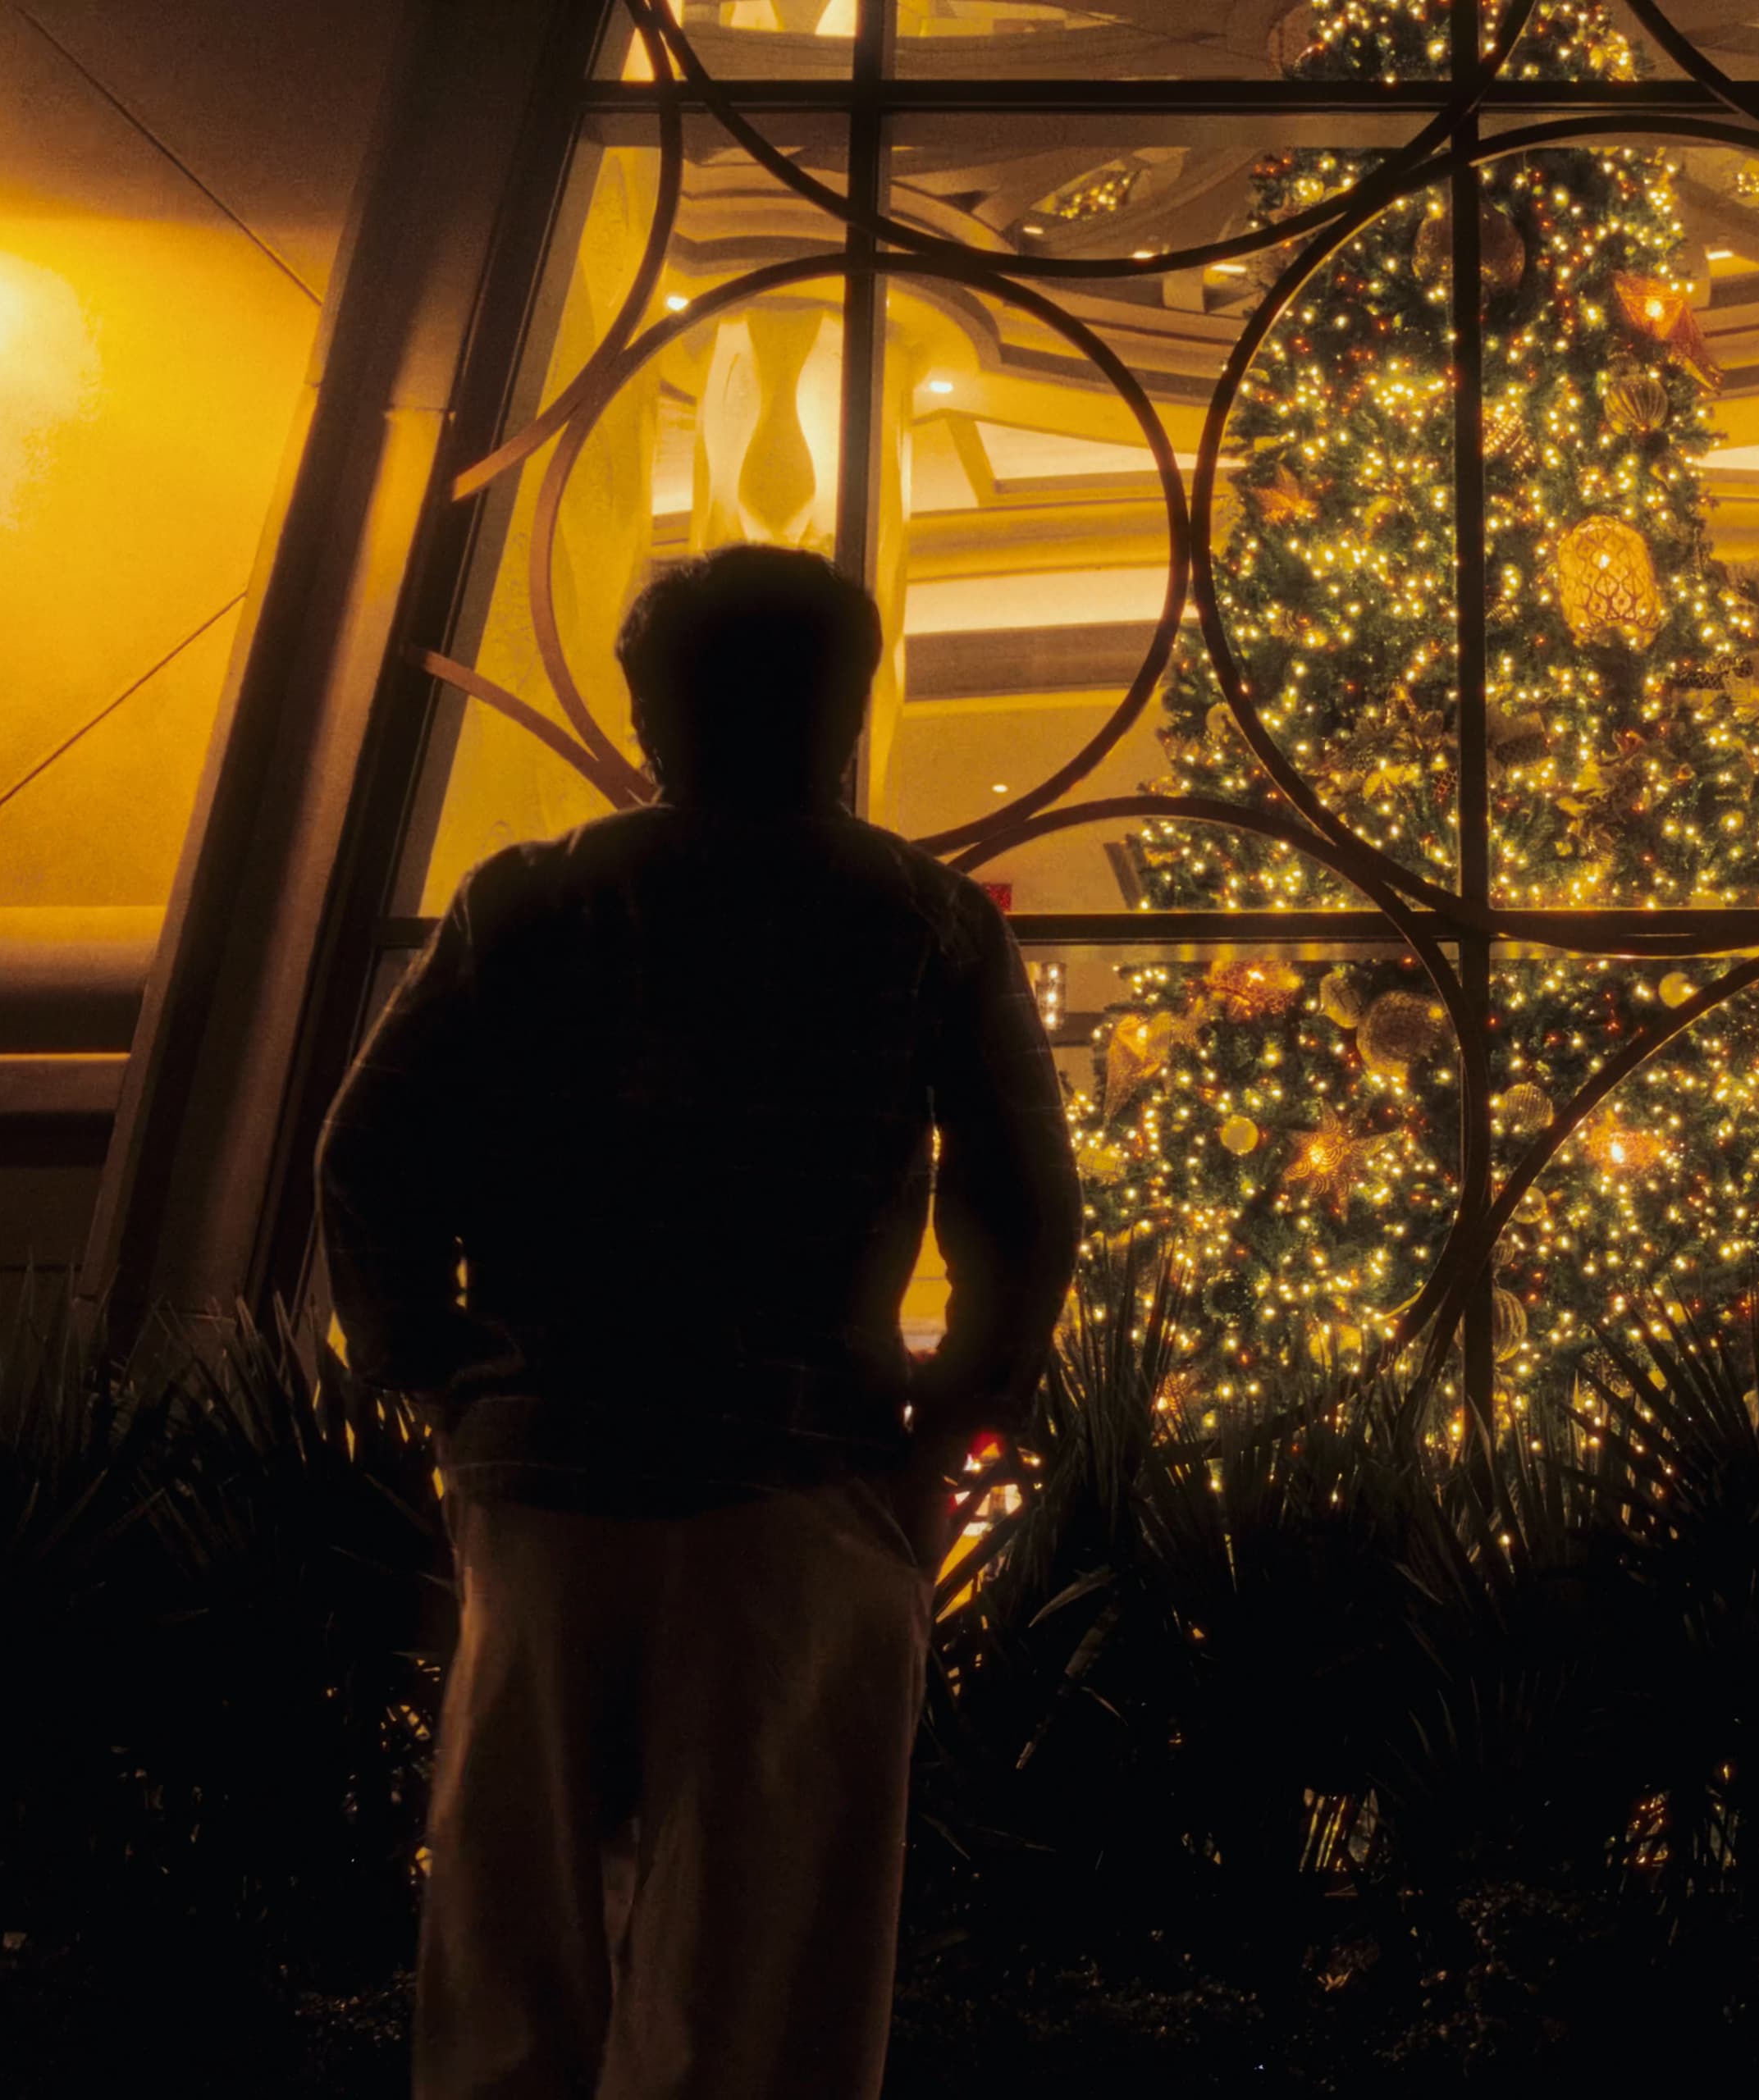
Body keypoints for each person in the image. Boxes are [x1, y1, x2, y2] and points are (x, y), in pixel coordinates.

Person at [319, 544, 1081, 2100]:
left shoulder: (529, 901)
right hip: (800, 1477)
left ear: (650, 714)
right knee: (768, 1956)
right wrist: (949, 1430)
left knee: (513, 1931)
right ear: (845, 705)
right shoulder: (921, 920)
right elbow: (1021, 1209)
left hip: (546, 1471)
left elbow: (370, 1150)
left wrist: (433, 1365)